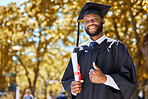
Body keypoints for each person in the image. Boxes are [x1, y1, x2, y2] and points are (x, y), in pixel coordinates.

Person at [61, 2, 137, 99]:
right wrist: (73, 88)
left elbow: (129, 81)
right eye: (86, 21)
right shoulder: (79, 51)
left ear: (103, 21)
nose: (90, 23)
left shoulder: (117, 47)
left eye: (94, 19)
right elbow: (67, 80)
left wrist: (105, 79)